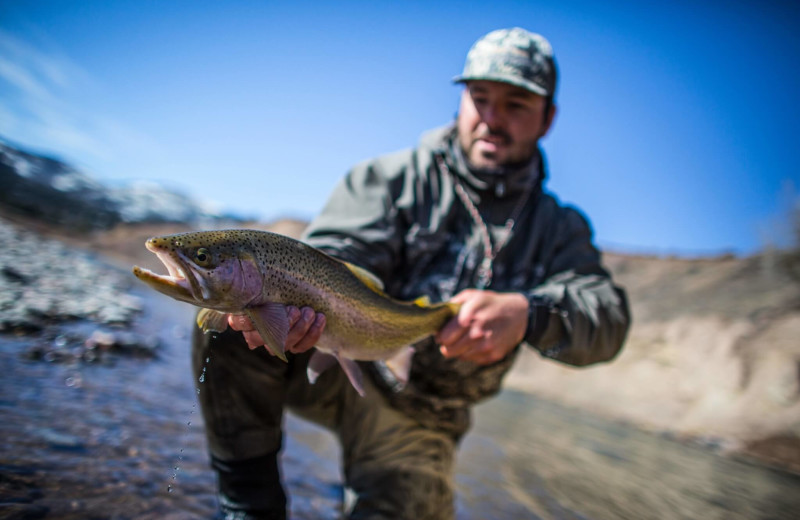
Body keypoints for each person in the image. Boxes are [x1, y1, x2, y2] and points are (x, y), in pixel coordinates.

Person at [193, 27, 631, 520]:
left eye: (515, 105)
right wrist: (305, 302)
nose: (492, 118)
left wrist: (529, 314)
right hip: (330, 360)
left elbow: (608, 320)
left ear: (548, 118)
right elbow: (337, 252)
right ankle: (249, 506)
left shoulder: (560, 229)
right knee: (225, 319)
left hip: (423, 419)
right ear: (462, 100)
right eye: (480, 98)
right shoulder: (389, 179)